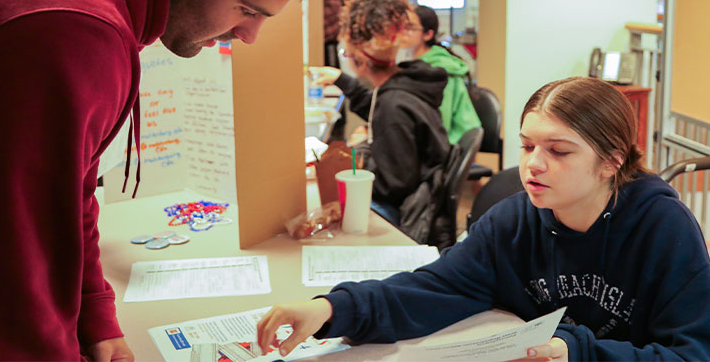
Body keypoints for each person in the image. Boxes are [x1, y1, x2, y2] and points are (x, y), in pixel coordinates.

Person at [0, 0, 320, 360]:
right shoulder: (76, 23)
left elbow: (70, 187)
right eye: (246, 9)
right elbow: (12, 249)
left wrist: (95, 317)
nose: (248, 36)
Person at [257, 77, 710, 361]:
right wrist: (331, 309)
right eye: (527, 145)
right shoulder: (513, 221)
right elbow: (432, 289)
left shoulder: (663, 229)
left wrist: (574, 351)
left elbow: (693, 353)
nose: (533, 164)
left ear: (611, 161)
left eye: (558, 151)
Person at [312, 0, 452, 246]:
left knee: (327, 219)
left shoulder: (393, 105)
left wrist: (357, 157)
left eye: (346, 55)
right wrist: (341, 79)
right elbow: (378, 110)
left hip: (401, 212)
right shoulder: (406, 82)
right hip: (417, 193)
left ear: (360, 61)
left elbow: (394, 185)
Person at [399, 4, 481, 144]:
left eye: (410, 28)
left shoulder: (439, 70)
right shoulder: (412, 65)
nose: (403, 32)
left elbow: (442, 122)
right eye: (402, 27)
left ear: (428, 34)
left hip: (452, 144)